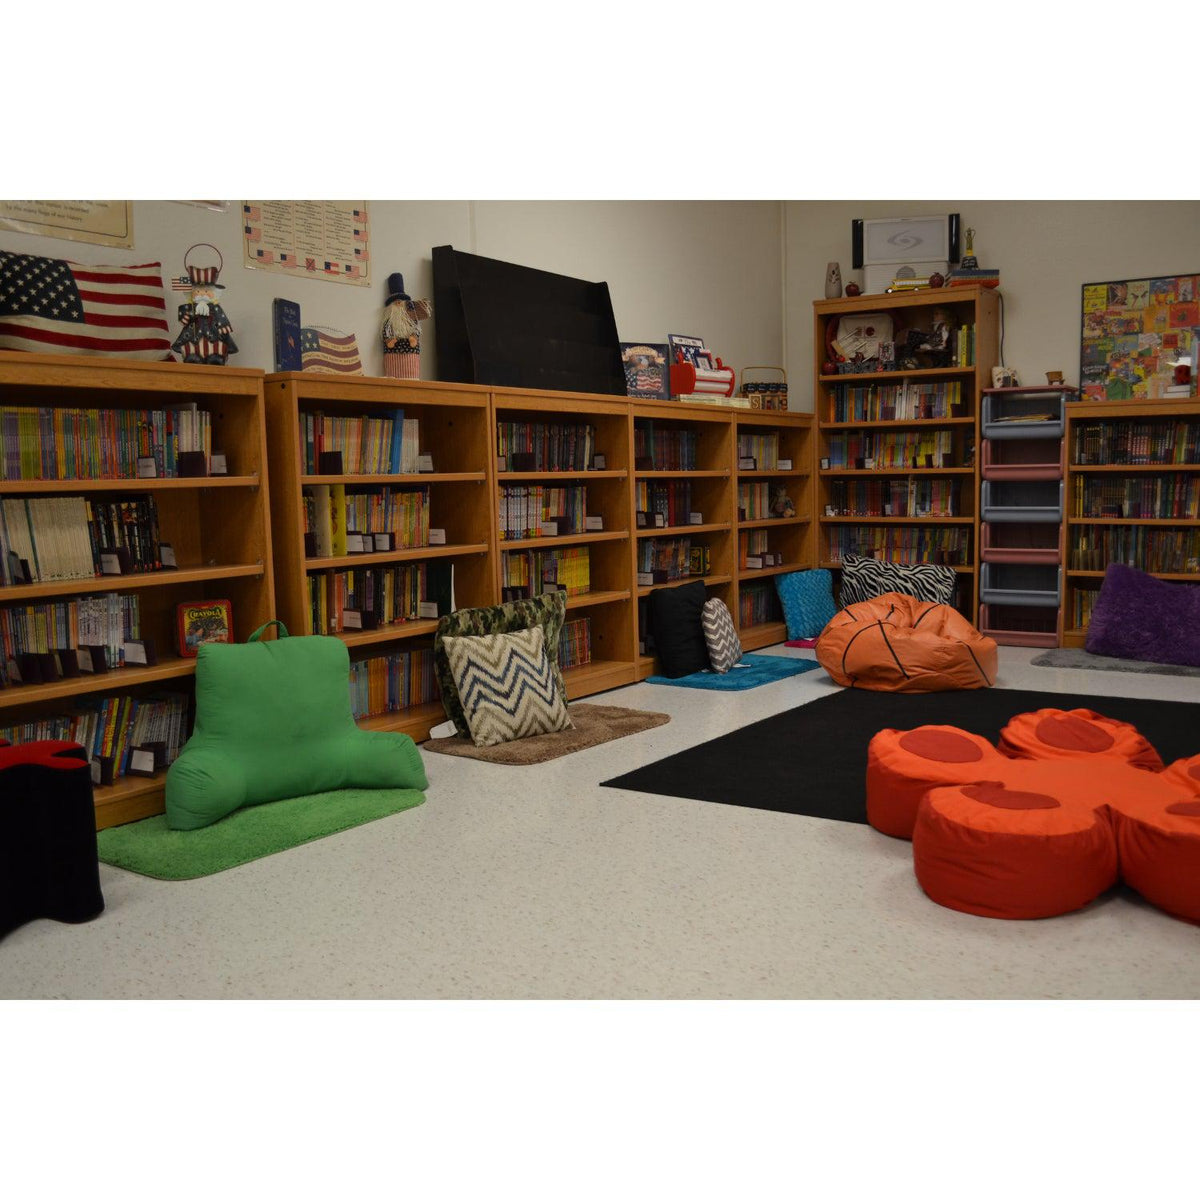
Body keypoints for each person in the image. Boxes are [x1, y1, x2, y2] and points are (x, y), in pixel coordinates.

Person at [381, 273, 432, 379]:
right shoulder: (389, 320)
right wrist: (389, 340)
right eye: (395, 301)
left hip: (410, 354)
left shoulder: (412, 317)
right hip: (392, 354)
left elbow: (416, 329)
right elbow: (386, 331)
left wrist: (413, 337)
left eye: (400, 300)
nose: (398, 303)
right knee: (392, 380)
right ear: (391, 305)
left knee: (410, 379)